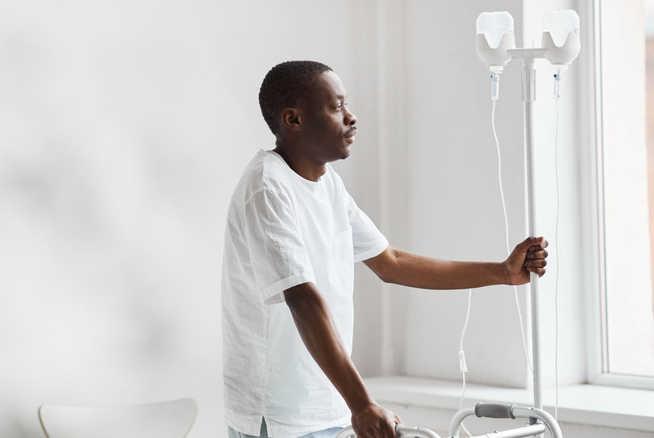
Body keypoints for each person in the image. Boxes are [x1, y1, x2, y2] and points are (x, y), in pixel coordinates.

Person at [221, 60, 548, 438]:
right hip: (277, 415)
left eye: (346, 104)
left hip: (326, 403)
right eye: (336, 106)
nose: (351, 117)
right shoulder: (268, 187)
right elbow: (302, 298)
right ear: (293, 119)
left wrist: (502, 273)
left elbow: (390, 262)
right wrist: (362, 403)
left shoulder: (328, 185)